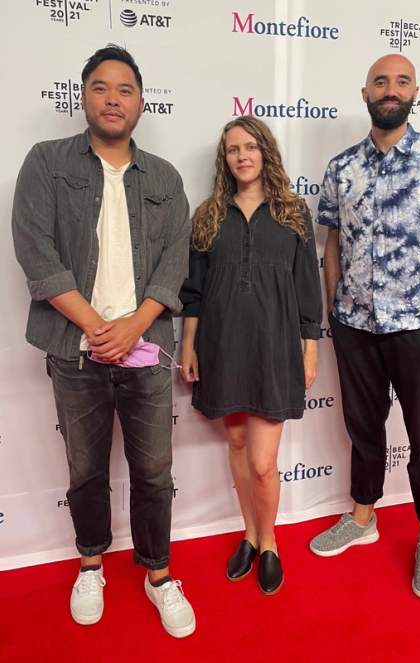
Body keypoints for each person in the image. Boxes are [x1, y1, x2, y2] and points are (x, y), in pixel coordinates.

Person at [11, 45, 195, 636]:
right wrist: (97, 328)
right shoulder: (45, 162)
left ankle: (158, 574)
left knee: (154, 471)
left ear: (141, 102)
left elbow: (175, 261)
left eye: (124, 90)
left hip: (144, 350)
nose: (112, 99)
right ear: (83, 96)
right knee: (85, 468)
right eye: (100, 87)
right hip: (75, 348)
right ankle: (90, 563)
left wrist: (134, 326)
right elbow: (35, 250)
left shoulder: (164, 176)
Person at [306, 53, 420, 601]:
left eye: (401, 81)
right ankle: (362, 518)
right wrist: (334, 310)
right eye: (381, 81)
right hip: (355, 325)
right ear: (365, 93)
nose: (390, 89)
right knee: (363, 428)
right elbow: (331, 248)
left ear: (414, 93)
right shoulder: (340, 169)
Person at [179, 116, 322, 595]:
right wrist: (187, 345)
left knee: (263, 462)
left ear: (265, 152)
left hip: (275, 345)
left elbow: (307, 285)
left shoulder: (293, 212)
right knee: (236, 446)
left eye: (249, 147)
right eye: (232, 149)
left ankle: (271, 543)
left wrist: (310, 347)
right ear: (225, 159)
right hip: (220, 344)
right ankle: (249, 534)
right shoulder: (207, 215)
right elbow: (193, 291)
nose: (241, 156)